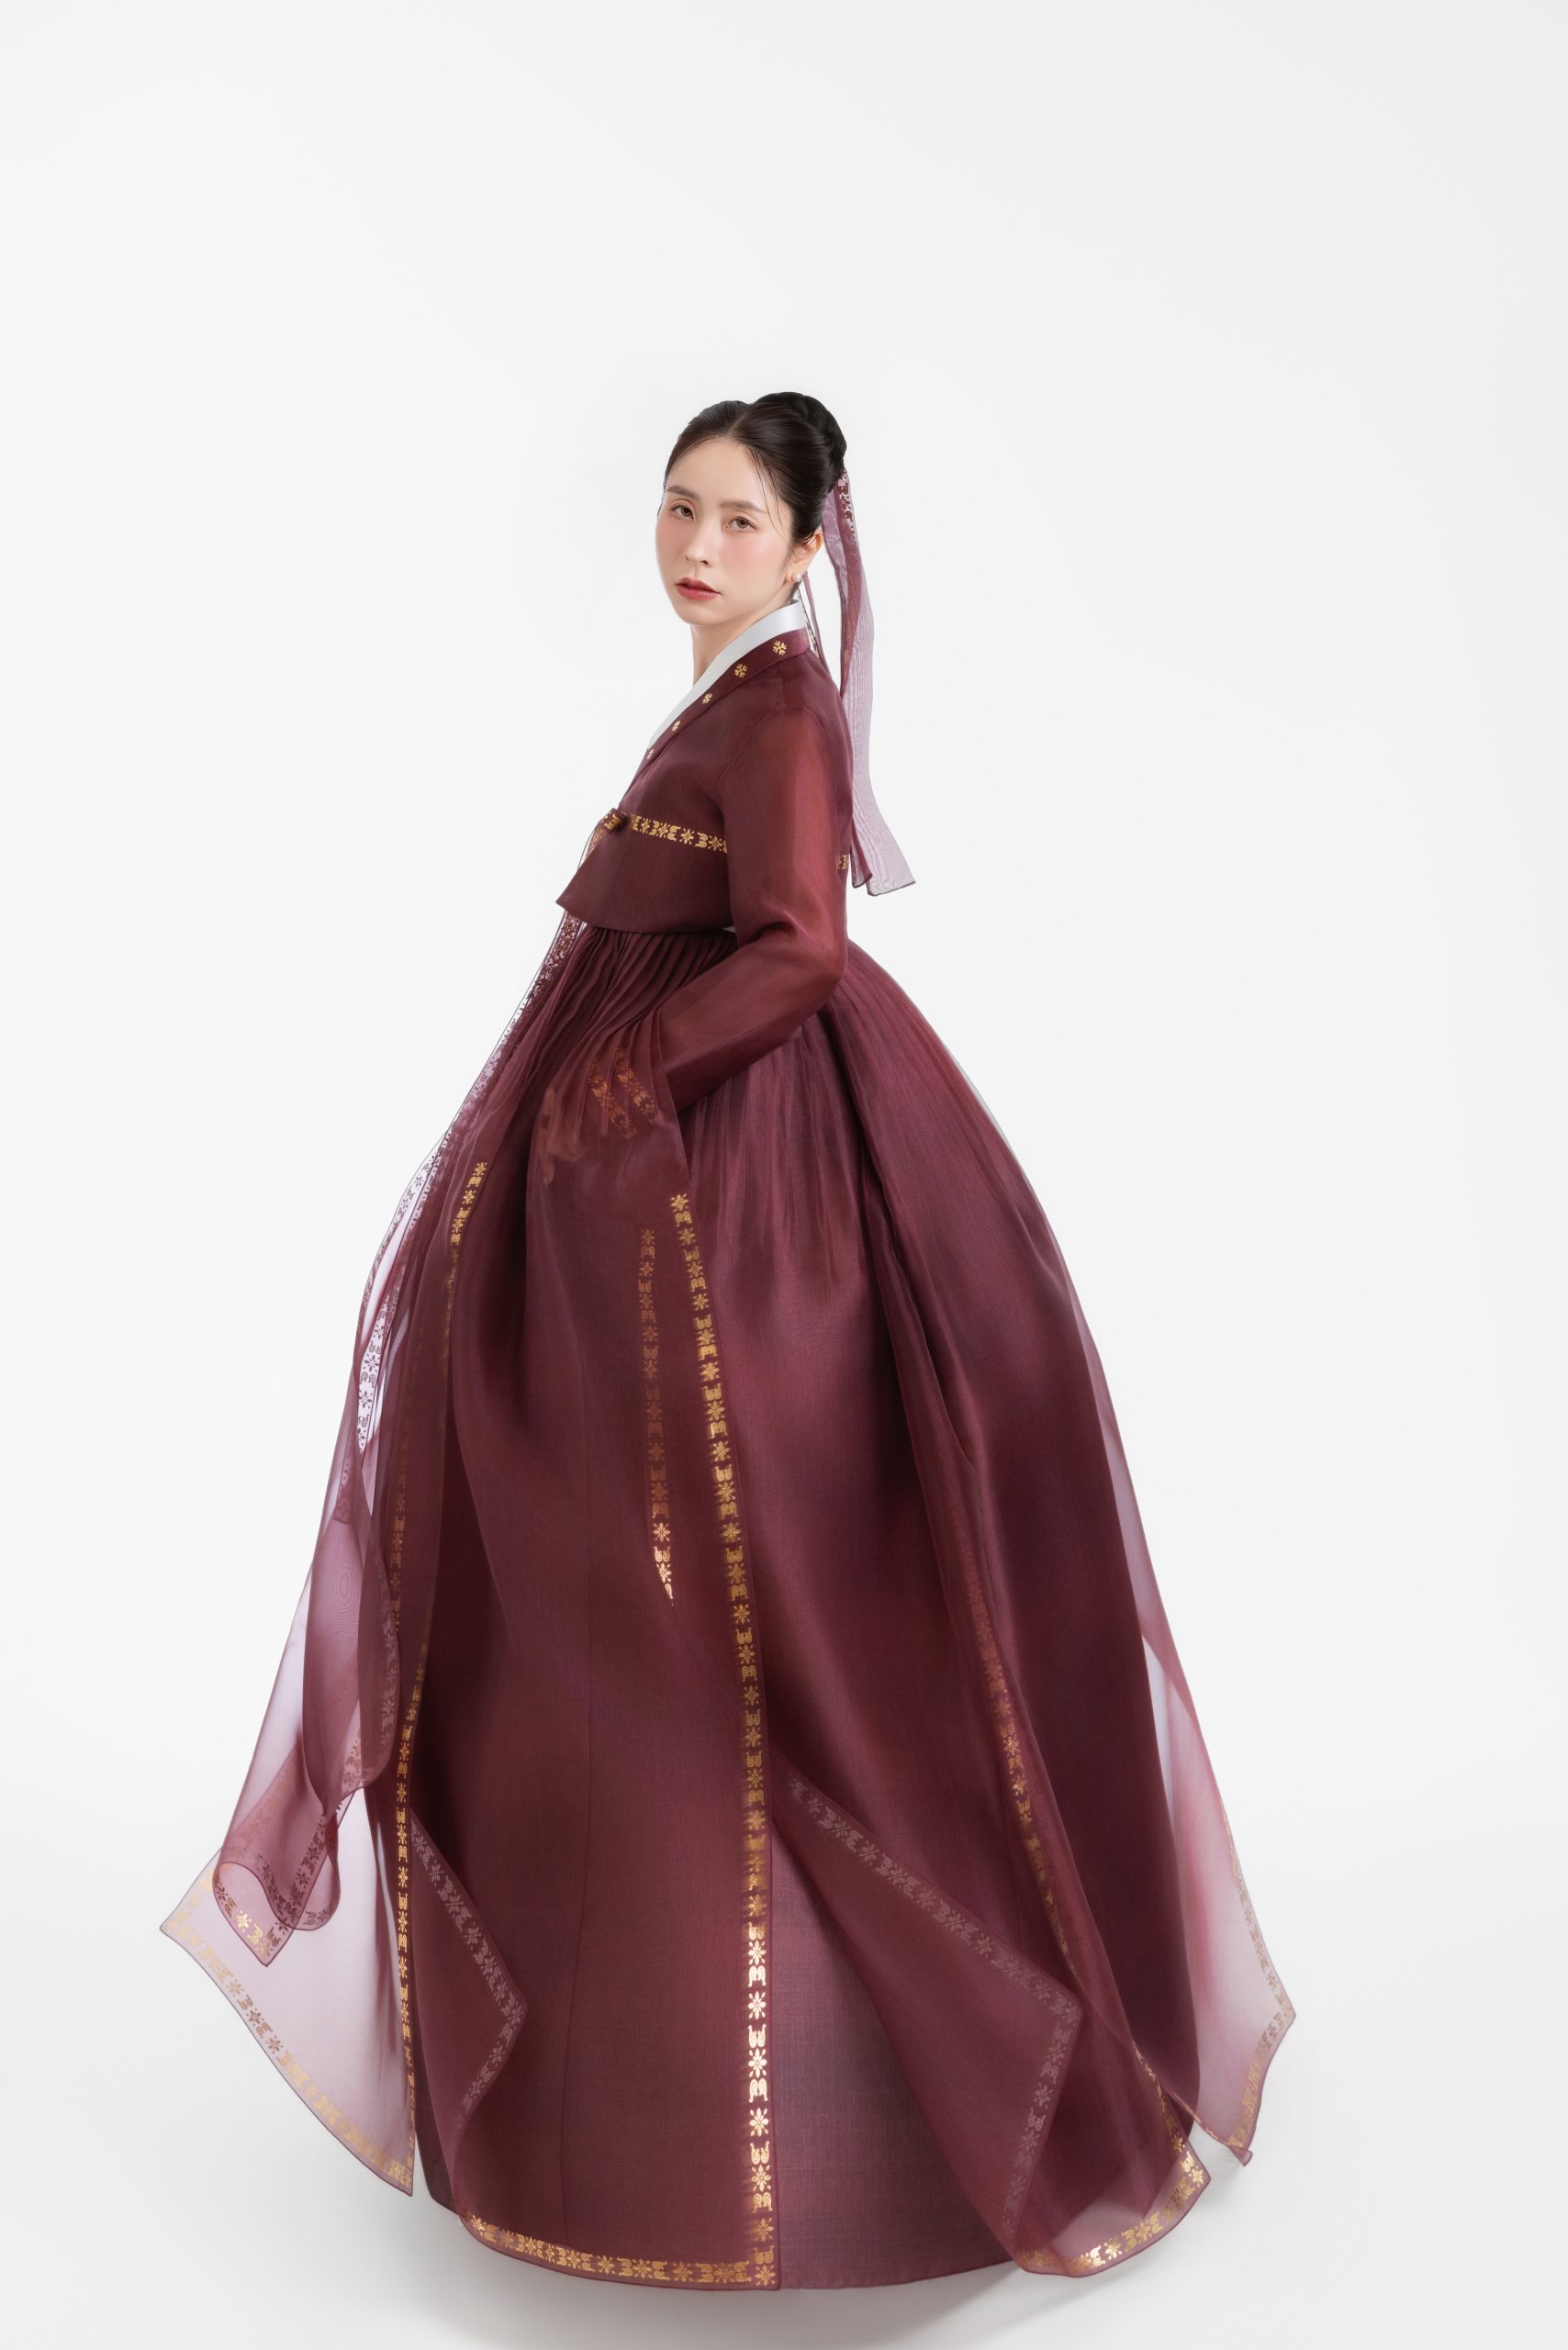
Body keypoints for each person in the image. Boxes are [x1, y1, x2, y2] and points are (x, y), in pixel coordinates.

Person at [159, 390, 1295, 2292]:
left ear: (807, 543)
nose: (695, 546)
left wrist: (632, 1081)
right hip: (670, 1160)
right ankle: (665, 2081)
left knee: (742, 1618)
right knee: (661, 1615)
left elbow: (800, 947)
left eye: (738, 520)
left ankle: (838, 2105)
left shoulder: (776, 709)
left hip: (740, 1178)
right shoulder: (734, 693)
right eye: (676, 508)